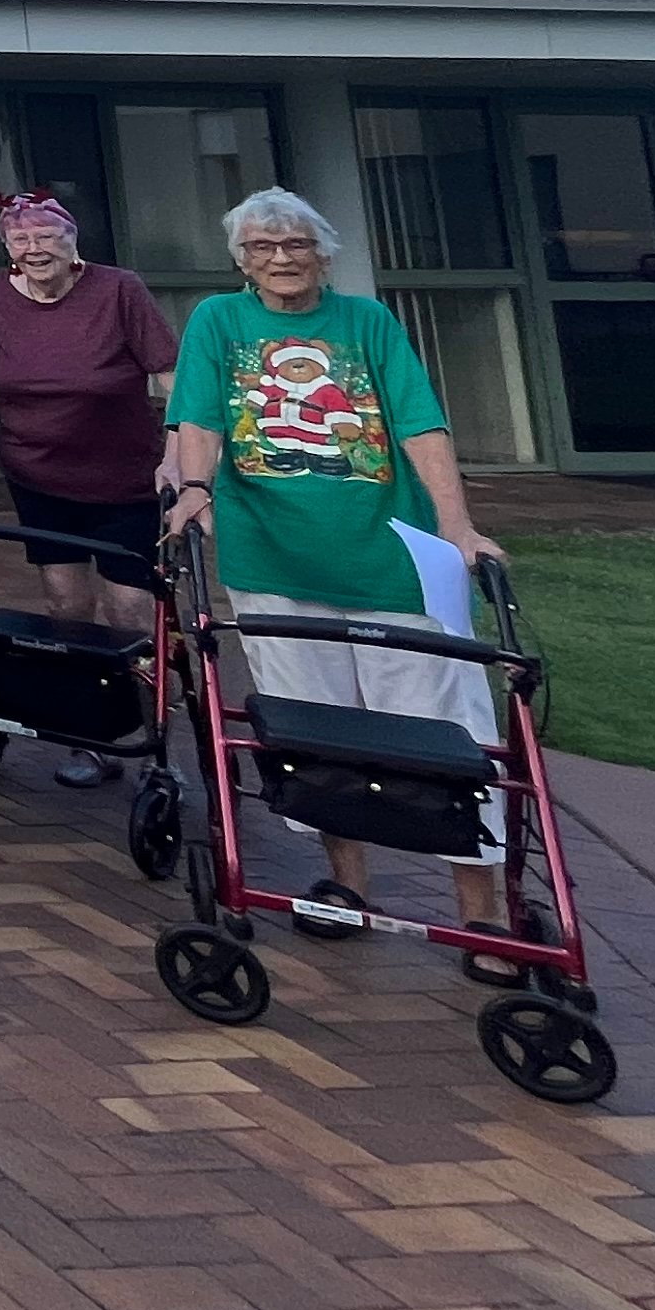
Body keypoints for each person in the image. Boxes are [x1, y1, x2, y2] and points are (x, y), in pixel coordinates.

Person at [163, 188, 511, 957]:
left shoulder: (367, 322)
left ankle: (481, 909)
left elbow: (421, 424)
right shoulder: (219, 321)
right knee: (310, 725)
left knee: (440, 730)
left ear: (323, 252)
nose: (280, 258)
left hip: (389, 557)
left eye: (294, 245)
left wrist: (457, 528)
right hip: (274, 561)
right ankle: (346, 885)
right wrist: (193, 491)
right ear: (241, 260)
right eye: (262, 247)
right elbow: (201, 419)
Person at [0, 190, 180, 784]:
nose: (34, 250)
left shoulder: (118, 289)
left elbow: (169, 373)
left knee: (130, 609)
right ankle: (92, 735)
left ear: (73, 242)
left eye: (46, 238)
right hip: (41, 476)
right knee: (65, 605)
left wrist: (181, 454)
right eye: (20, 241)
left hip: (128, 478)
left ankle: (150, 732)